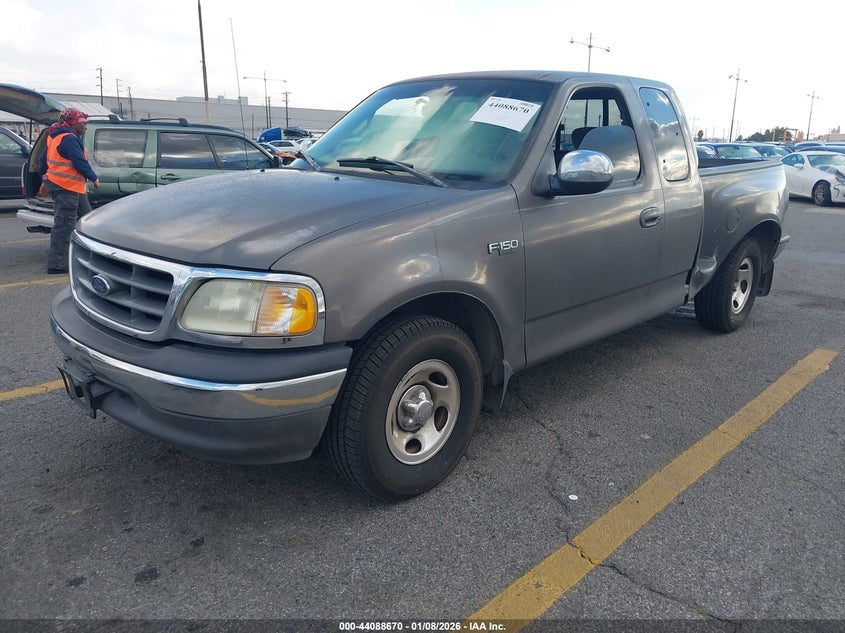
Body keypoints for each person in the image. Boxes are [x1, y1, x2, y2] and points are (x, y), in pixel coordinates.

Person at [39, 107, 99, 274]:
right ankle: (57, 264)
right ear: (73, 124)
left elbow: (42, 161)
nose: (85, 127)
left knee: (88, 220)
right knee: (64, 225)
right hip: (66, 187)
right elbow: (79, 162)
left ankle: (90, 255)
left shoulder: (55, 136)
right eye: (83, 123)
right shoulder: (69, 138)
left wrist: (45, 179)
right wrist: (94, 177)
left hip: (71, 187)